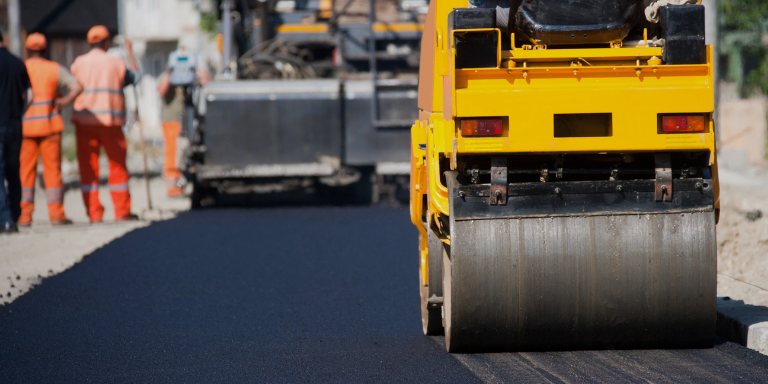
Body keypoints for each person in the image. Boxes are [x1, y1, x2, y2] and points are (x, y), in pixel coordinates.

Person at [70, 26, 139, 223]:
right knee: (117, 167)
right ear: (107, 43)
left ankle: (94, 213)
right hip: (111, 123)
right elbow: (136, 78)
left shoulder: (78, 63)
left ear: (89, 43)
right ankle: (122, 211)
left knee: (88, 169)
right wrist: (130, 52)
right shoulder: (117, 63)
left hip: (84, 123)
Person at [18, 33, 83, 227]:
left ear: (27, 50)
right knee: (52, 171)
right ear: (45, 50)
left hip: (26, 127)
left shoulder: (22, 69)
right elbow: (77, 86)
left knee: (25, 172)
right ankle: (56, 215)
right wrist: (63, 102)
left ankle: (24, 216)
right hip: (50, 126)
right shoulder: (54, 69)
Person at [156, 48, 210, 196]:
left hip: (192, 120)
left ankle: (190, 181)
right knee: (172, 153)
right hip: (171, 120)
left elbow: (208, 83)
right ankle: (172, 186)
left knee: (192, 150)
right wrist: (171, 72)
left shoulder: (193, 74)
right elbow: (161, 90)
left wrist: (195, 68)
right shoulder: (167, 75)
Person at [0, 30, 34, 234]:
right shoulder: (18, 63)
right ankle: (15, 214)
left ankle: (5, 219)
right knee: (14, 171)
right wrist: (20, 113)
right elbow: (30, 95)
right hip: (15, 125)